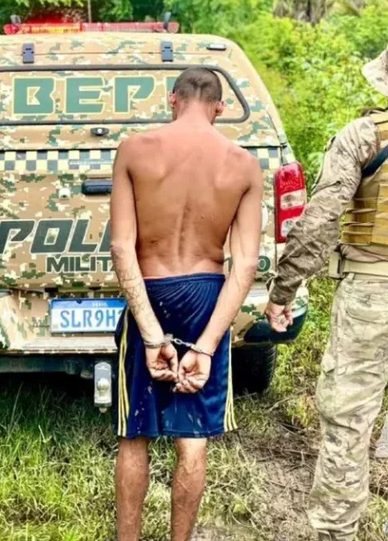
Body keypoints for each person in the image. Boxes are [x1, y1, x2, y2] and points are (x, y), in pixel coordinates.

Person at [267, 31, 388, 541]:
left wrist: (283, 291)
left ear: (387, 78)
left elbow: (322, 218)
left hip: (372, 296)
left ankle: (336, 532)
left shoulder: (362, 135)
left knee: (347, 423)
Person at [109, 66, 264, 541]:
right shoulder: (242, 164)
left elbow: (121, 248)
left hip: (149, 291)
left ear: (172, 99)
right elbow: (245, 266)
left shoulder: (134, 150)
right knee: (192, 435)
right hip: (205, 296)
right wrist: (207, 345)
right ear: (220, 107)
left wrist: (151, 331)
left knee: (134, 432)